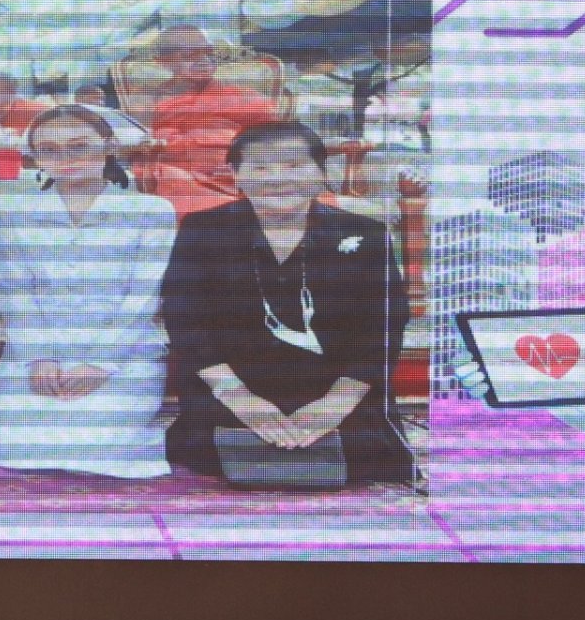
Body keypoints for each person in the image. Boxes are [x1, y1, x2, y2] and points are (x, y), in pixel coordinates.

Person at [160, 122, 412, 486]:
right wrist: (239, 397)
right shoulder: (202, 229)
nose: (277, 179)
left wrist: (336, 403)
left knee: (358, 455)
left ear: (321, 172)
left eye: (294, 165)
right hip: (231, 388)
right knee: (218, 456)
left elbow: (384, 325)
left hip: (337, 389)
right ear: (236, 174)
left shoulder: (365, 234)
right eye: (260, 167)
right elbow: (186, 320)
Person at [0, 106, 176, 479]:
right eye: (49, 150)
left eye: (78, 146)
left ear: (108, 146)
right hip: (35, 352)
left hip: (123, 349)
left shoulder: (150, 211)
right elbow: (14, 292)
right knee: (17, 445)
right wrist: (39, 357)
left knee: (104, 445)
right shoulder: (15, 212)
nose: (65, 158)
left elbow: (145, 295)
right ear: (35, 157)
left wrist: (101, 363)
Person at [145, 25, 280, 220]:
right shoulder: (147, 100)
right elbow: (141, 145)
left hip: (239, 176)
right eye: (191, 55)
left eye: (209, 53)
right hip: (183, 179)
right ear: (164, 61)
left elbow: (274, 140)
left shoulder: (243, 98)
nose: (204, 60)